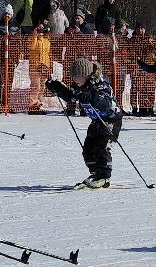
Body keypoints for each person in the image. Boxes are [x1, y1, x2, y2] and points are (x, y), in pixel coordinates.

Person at [45, 57, 122, 189]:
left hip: (110, 119)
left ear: (85, 75)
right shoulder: (80, 85)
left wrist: (91, 97)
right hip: (97, 120)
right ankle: (95, 173)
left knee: (102, 147)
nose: (74, 80)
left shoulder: (101, 84)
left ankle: (103, 176)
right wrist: (57, 88)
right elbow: (71, 96)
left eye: (77, 77)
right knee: (88, 148)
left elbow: (105, 103)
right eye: (73, 76)